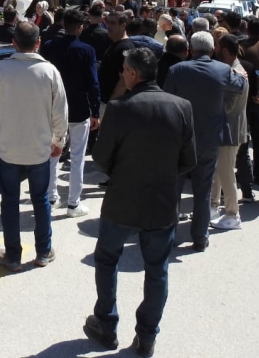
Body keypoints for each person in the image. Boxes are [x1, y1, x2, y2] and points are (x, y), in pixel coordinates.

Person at [84, 48, 196, 357]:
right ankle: (147, 336)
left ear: (133, 74)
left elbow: (101, 159)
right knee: (157, 269)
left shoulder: (119, 109)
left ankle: (106, 323)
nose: (121, 74)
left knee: (107, 259)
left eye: (123, 70)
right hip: (162, 202)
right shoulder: (182, 107)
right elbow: (188, 160)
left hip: (122, 199)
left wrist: (123, 173)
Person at [0, 21, 68, 272]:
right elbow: (60, 112)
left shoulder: (0, 69)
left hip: (7, 146)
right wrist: (59, 141)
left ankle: (13, 255)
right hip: (39, 147)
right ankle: (43, 251)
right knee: (40, 199)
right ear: (38, 43)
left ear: (14, 43)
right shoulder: (50, 71)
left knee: (10, 200)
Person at [163, 31, 246, 250]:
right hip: (210, 139)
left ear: (190, 49)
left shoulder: (177, 70)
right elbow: (241, 84)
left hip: (181, 137)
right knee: (203, 191)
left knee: (175, 189)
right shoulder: (223, 70)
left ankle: (168, 236)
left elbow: (166, 99)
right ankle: (200, 238)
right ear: (212, 50)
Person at [41, 9, 100, 217]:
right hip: (78, 108)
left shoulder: (49, 46)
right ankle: (73, 203)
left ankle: (51, 197)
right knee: (77, 157)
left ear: (64, 25)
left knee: (52, 154)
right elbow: (93, 83)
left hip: (53, 107)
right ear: (80, 28)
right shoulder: (87, 50)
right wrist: (95, 110)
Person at [211, 34, 251, 230]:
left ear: (225, 50)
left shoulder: (235, 74)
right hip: (227, 130)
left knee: (227, 174)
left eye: (217, 47)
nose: (215, 51)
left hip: (230, 131)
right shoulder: (234, 71)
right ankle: (213, 206)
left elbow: (227, 107)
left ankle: (233, 214)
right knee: (219, 172)